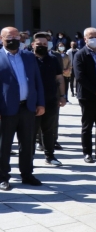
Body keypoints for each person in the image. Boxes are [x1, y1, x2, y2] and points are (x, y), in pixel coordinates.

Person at [0, 27, 45, 190]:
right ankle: (2, 176)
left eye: (16, 36)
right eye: (9, 37)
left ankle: (27, 174)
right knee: (4, 144)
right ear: (1, 38)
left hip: (27, 107)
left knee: (27, 143)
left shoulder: (27, 56)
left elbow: (37, 81)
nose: (13, 39)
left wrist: (40, 103)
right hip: (6, 110)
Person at [73, 27, 96, 164]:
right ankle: (87, 152)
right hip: (88, 96)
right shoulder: (80, 54)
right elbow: (80, 76)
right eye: (91, 37)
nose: (94, 39)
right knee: (87, 126)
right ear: (85, 39)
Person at [32, 33, 67, 166]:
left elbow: (59, 78)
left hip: (50, 99)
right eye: (39, 44)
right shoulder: (28, 59)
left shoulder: (53, 59)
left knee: (48, 130)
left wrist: (63, 96)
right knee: (31, 132)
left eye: (45, 45)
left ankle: (50, 156)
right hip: (32, 102)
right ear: (33, 44)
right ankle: (29, 159)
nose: (42, 47)